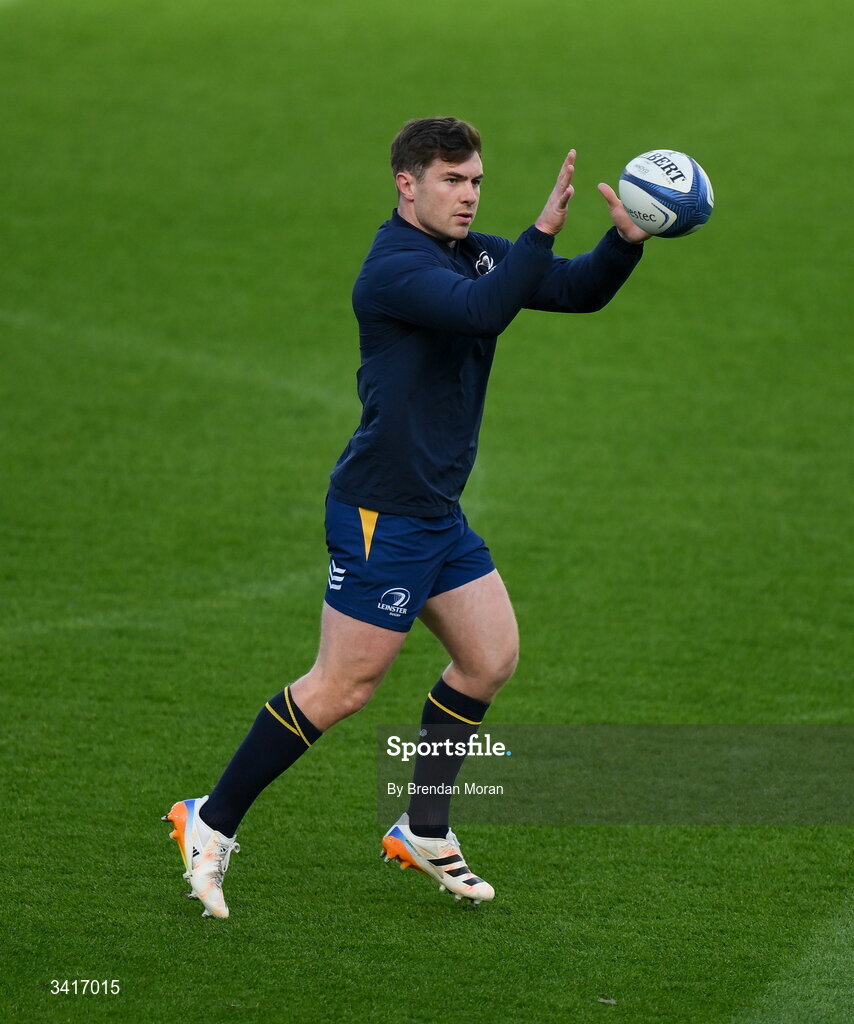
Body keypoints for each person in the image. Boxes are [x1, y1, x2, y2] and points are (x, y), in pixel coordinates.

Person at [163, 116, 649, 918]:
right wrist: (536, 232)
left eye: (477, 182)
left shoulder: (478, 252)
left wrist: (622, 242)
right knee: (344, 687)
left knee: (488, 658)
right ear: (407, 184)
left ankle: (423, 830)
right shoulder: (392, 270)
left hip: (435, 512)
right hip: (379, 516)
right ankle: (208, 820)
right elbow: (485, 311)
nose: (468, 196)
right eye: (453, 181)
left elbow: (572, 290)